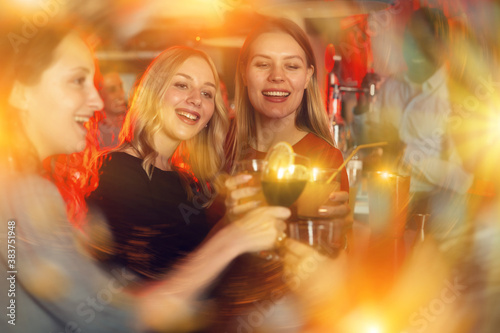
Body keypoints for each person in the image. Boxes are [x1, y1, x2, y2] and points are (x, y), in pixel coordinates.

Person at [0, 20, 289, 332]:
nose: (196, 99)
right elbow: (117, 312)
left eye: (207, 93)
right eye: (181, 84)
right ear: (153, 91)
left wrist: (233, 223)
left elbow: (202, 282)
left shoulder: (191, 184)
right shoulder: (108, 174)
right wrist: (233, 238)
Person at [204, 17, 351, 332]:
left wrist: (340, 234)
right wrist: (229, 224)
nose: (276, 77)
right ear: (244, 72)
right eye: (262, 64)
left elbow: (333, 268)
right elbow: (188, 251)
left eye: (292, 66)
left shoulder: (326, 159)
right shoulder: (215, 144)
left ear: (309, 77)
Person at [354, 7, 474, 238]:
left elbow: (461, 180)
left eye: (427, 41)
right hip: (384, 204)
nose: (417, 49)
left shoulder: (456, 97)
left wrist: (403, 151)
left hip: (433, 217)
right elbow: (370, 141)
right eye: (412, 39)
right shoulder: (391, 86)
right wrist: (362, 110)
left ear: (444, 47)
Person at [95, 70, 128, 148]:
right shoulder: (92, 135)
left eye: (121, 87)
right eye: (112, 90)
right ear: (99, 95)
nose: (121, 94)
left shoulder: (136, 125)